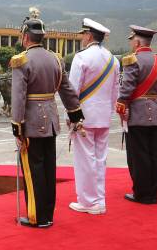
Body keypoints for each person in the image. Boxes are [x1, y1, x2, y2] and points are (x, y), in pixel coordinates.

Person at [11, 8, 82, 228]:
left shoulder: (21, 60)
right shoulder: (55, 59)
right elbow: (67, 90)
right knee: (49, 169)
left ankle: (36, 217)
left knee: (33, 171)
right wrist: (75, 114)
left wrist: (17, 127)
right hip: (50, 121)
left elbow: (18, 97)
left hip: (31, 122)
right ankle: (48, 214)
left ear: (25, 37)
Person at [67, 18, 120, 215]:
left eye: (83, 34)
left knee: (85, 160)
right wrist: (109, 111)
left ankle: (88, 202)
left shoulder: (81, 57)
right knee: (100, 159)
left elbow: (72, 90)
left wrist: (71, 115)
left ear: (89, 36)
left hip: (84, 117)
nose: (82, 38)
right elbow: (115, 91)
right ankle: (99, 200)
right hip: (104, 116)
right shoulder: (113, 60)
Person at [116, 25, 157, 205]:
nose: (131, 43)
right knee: (154, 154)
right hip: (155, 112)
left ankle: (141, 194)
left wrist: (122, 109)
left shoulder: (132, 60)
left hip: (137, 114)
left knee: (139, 156)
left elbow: (126, 89)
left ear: (138, 42)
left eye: (132, 40)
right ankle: (153, 194)